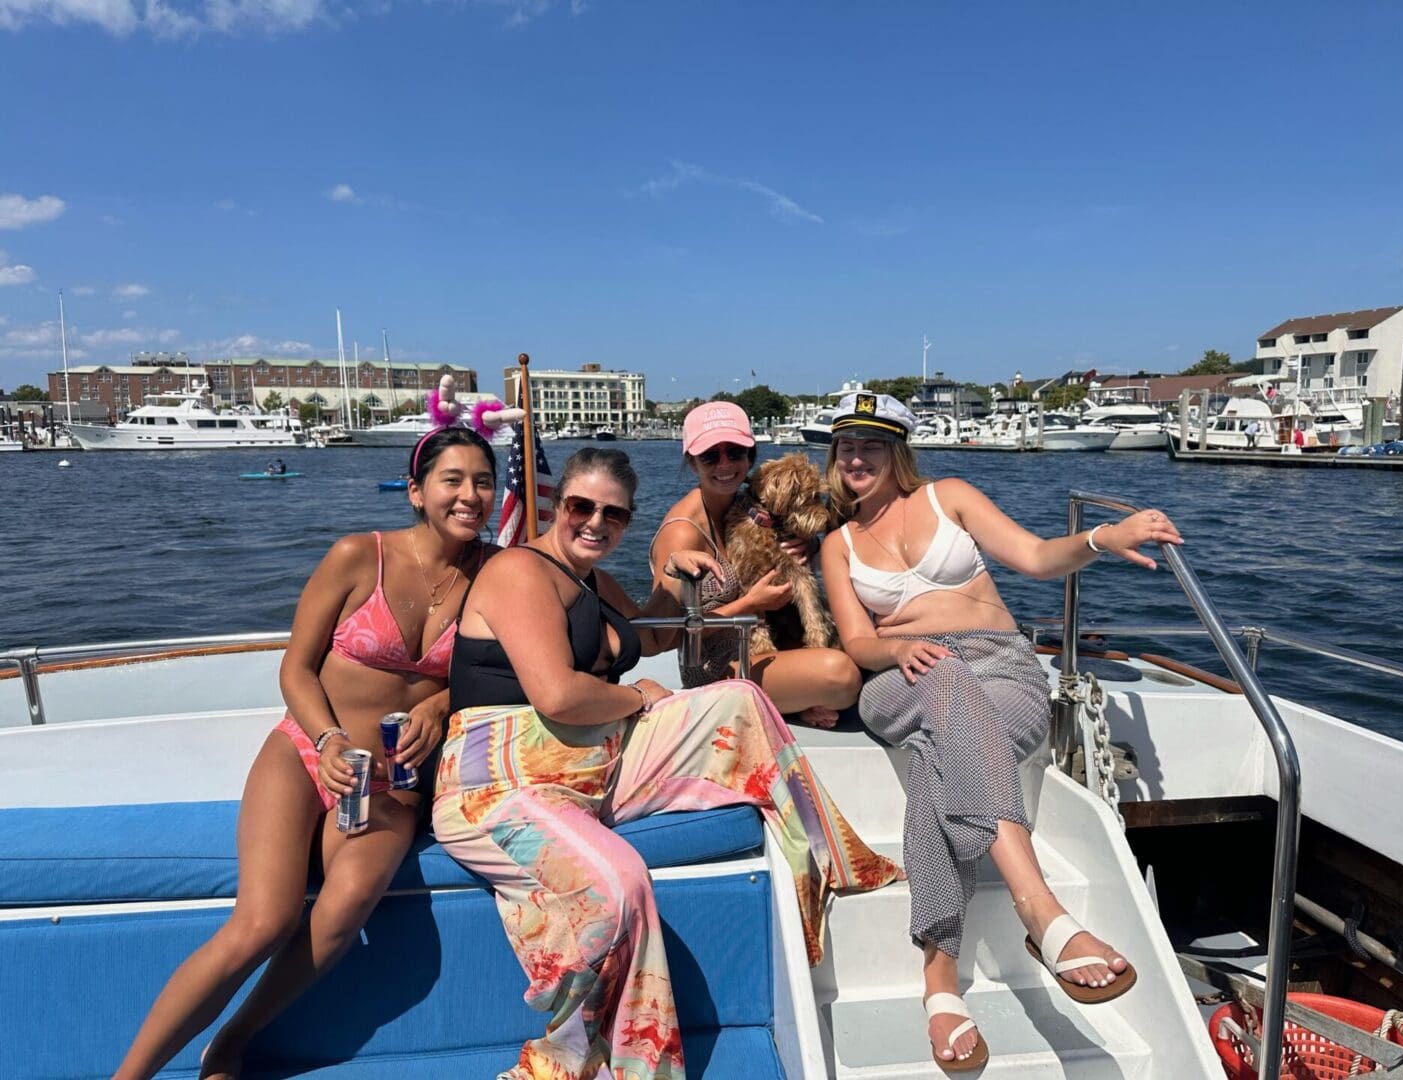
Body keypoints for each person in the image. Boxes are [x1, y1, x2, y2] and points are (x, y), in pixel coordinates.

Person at [434, 446, 900, 1080]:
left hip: (593, 762)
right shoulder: (521, 570)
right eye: (581, 506)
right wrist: (635, 695)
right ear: (556, 504)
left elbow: (654, 634)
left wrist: (679, 578)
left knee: (739, 699)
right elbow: (559, 693)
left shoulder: (592, 582)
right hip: (496, 785)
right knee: (619, 883)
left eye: (614, 515)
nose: (595, 522)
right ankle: (584, 1057)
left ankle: (824, 863)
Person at [116, 426, 500, 1080]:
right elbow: (295, 669)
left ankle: (232, 1042)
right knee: (263, 921)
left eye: (484, 482)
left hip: (393, 779)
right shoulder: (358, 556)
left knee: (346, 905)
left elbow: (502, 670)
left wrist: (441, 706)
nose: (470, 495)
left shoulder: (496, 575)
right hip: (307, 752)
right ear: (415, 491)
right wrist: (325, 739)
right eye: (453, 480)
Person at [819, 393, 1182, 1071]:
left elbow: (1039, 558)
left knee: (934, 761)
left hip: (1002, 667)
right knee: (943, 688)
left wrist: (1105, 537)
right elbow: (858, 642)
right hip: (899, 678)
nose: (855, 458)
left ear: (898, 451)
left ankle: (939, 983)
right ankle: (1041, 913)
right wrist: (897, 652)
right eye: (844, 447)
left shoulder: (947, 495)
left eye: (870, 444)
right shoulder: (836, 546)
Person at [648, 400, 861, 728]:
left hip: (763, 648)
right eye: (710, 456)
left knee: (859, 644)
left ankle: (789, 701)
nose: (725, 464)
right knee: (842, 675)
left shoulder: (747, 506)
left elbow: (787, 535)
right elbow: (664, 635)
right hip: (715, 667)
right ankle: (790, 704)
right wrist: (750, 604)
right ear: (692, 463)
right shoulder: (682, 531)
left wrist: (808, 542)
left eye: (734, 452)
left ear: (750, 457)